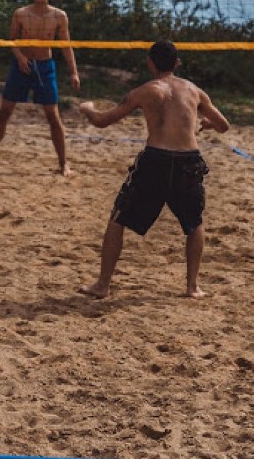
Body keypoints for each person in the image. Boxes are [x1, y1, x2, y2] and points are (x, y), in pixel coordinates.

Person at [77, 39, 229, 301]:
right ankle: (192, 286)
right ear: (177, 63)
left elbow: (103, 121)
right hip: (187, 160)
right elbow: (224, 125)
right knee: (194, 223)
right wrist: (207, 123)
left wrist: (87, 109)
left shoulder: (145, 91)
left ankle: (103, 285)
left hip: (156, 160)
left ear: (150, 62)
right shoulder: (194, 91)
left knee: (118, 220)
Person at [0, 0, 80, 175]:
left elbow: (66, 46)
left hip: (45, 67)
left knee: (53, 115)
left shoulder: (59, 16)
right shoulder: (21, 13)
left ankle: (63, 164)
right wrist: (19, 57)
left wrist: (74, 72)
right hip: (21, 66)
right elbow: (12, 40)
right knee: (5, 111)